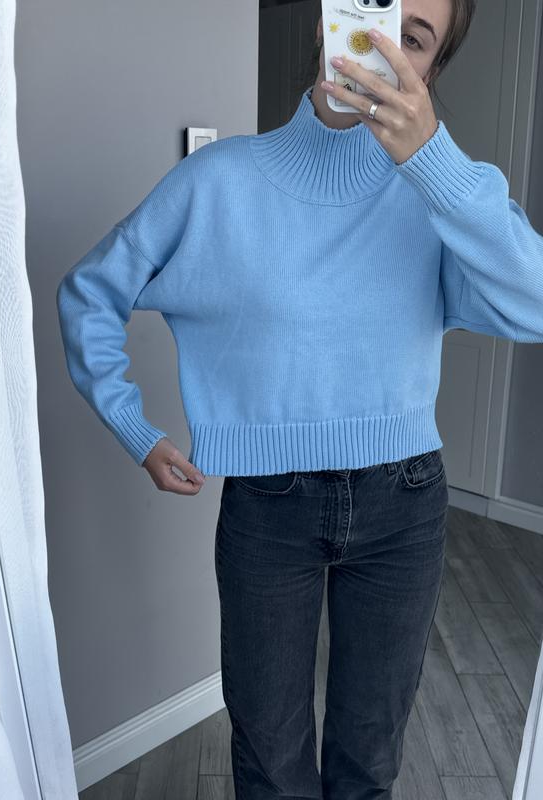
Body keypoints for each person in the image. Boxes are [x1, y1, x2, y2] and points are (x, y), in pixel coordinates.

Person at [56, 1, 543, 796]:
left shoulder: (445, 195)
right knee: (269, 759)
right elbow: (90, 292)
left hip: (406, 504)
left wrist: (435, 163)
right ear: (326, 23)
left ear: (429, 71)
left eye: (413, 38)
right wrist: (133, 426)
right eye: (372, 11)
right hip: (268, 508)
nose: (384, 45)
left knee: (369, 761)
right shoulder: (219, 180)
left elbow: (537, 303)